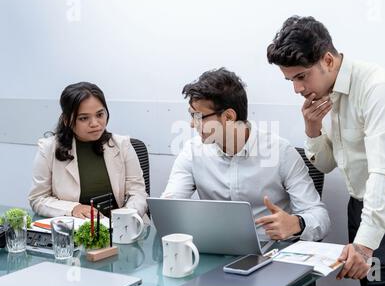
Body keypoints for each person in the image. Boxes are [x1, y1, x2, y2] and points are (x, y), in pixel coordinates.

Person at [266, 15, 385, 286]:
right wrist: (312, 129)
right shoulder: (328, 91)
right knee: (369, 285)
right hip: (362, 202)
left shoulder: (380, 90)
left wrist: (363, 245)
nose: (297, 89)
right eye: (290, 80)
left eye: (301, 76)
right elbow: (325, 165)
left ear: (328, 61)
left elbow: (383, 174)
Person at [162, 68, 330, 241]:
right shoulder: (192, 151)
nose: (191, 124)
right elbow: (169, 207)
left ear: (228, 117)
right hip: (216, 250)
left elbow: (320, 217)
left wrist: (297, 224)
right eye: (191, 116)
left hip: (271, 252)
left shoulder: (280, 152)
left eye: (198, 117)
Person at [29, 82, 148, 219]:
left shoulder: (122, 145)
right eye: (84, 118)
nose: (95, 123)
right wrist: (73, 208)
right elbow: (38, 198)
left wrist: (125, 219)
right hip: (75, 230)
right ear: (67, 120)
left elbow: (138, 193)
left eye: (99, 114)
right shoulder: (48, 149)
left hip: (123, 230)